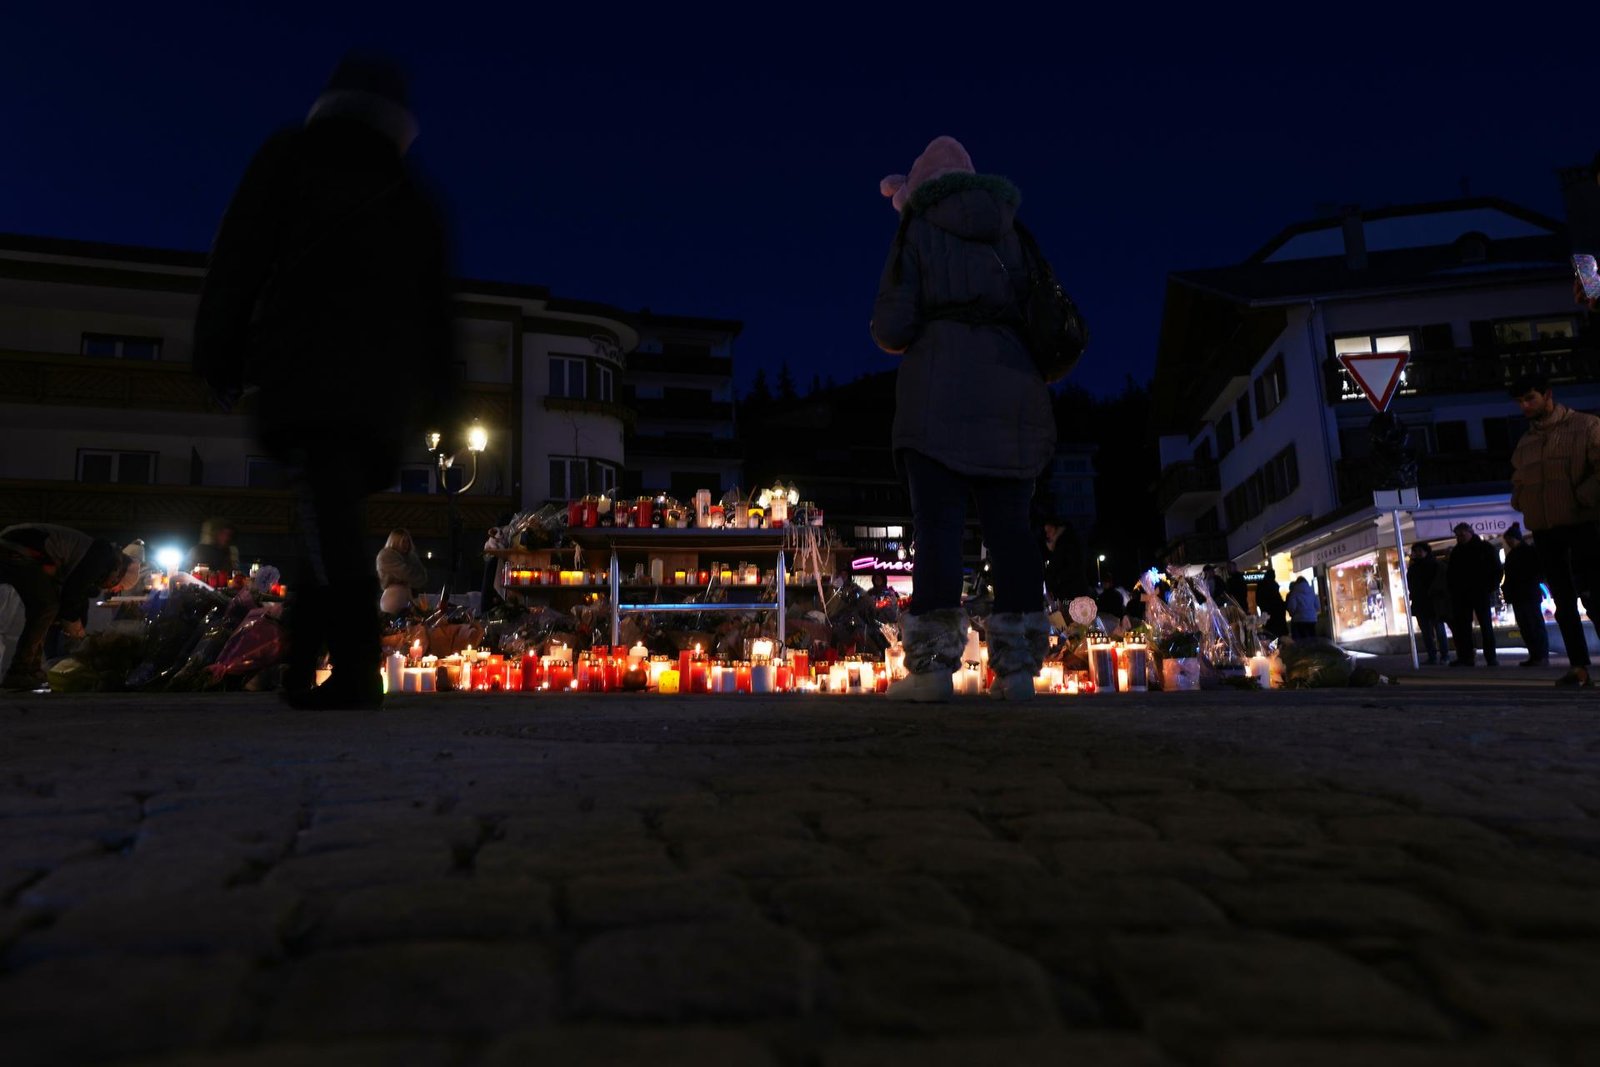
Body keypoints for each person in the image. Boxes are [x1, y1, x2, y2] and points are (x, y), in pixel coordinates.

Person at [194, 52, 457, 710]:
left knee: (324, 513)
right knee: (326, 514)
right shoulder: (410, 195)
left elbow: (239, 255)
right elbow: (438, 315)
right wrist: (443, 403)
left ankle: (357, 666)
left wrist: (218, 349)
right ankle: (301, 665)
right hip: (378, 391)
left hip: (307, 369)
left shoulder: (291, 158)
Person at [870, 135, 1056, 702]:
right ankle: (1019, 671)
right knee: (1011, 531)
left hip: (937, 396)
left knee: (939, 530)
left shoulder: (918, 229)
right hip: (1011, 392)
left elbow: (891, 326)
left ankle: (930, 671)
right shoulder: (1011, 230)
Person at [1508, 372, 1600, 687]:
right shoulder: (1527, 441)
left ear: (1548, 395)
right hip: (1546, 530)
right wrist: (1522, 501)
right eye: (1520, 401)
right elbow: (1519, 480)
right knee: (1563, 602)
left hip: (1584, 524)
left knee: (1594, 595)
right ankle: (1579, 667)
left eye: (1529, 398)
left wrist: (1582, 498)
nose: (1525, 406)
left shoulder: (1585, 426)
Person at [0, 524, 137, 690]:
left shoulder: (99, 557)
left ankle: (31, 669)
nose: (114, 590)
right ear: (119, 574)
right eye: (120, 587)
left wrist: (74, 623)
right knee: (46, 607)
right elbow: (73, 593)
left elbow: (77, 597)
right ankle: (20, 671)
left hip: (24, 548)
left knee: (47, 609)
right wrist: (75, 629)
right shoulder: (101, 557)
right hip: (22, 548)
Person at [1446, 522, 1502, 667]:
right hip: (1463, 594)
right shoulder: (1458, 551)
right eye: (1458, 536)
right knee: (1464, 627)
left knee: (1484, 625)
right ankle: (1467, 657)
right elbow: (1451, 573)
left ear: (1470, 532)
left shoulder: (1484, 548)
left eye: (1462, 535)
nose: (1460, 538)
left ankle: (1490, 657)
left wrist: (1490, 587)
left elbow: (1496, 569)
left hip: (1479, 591)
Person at [1499, 524, 1549, 668]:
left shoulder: (1519, 554)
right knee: (1530, 625)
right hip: (1526, 593)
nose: (1508, 542)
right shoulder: (1524, 552)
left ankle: (1538, 655)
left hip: (1524, 594)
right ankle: (1537, 655)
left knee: (1531, 625)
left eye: (1509, 539)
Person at [1406, 542, 1449, 665]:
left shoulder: (1434, 565)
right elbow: (1411, 585)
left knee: (1438, 630)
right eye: (1416, 551)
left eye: (1420, 551)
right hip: (1421, 602)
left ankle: (1443, 655)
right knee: (1426, 632)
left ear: (1426, 551)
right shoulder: (1414, 568)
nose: (1418, 553)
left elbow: (1440, 582)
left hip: (1434, 602)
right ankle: (1433, 656)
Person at [376, 528, 428, 616]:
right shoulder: (387, 556)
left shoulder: (411, 557)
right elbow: (406, 574)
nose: (406, 545)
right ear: (395, 541)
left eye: (407, 541)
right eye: (403, 541)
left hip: (407, 596)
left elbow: (421, 577)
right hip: (393, 596)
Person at [1255, 574, 1287, 641]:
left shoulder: (1262, 586)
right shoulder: (1273, 588)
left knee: (1271, 637)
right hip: (1276, 617)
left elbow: (1258, 601)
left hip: (1269, 617)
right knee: (1278, 637)